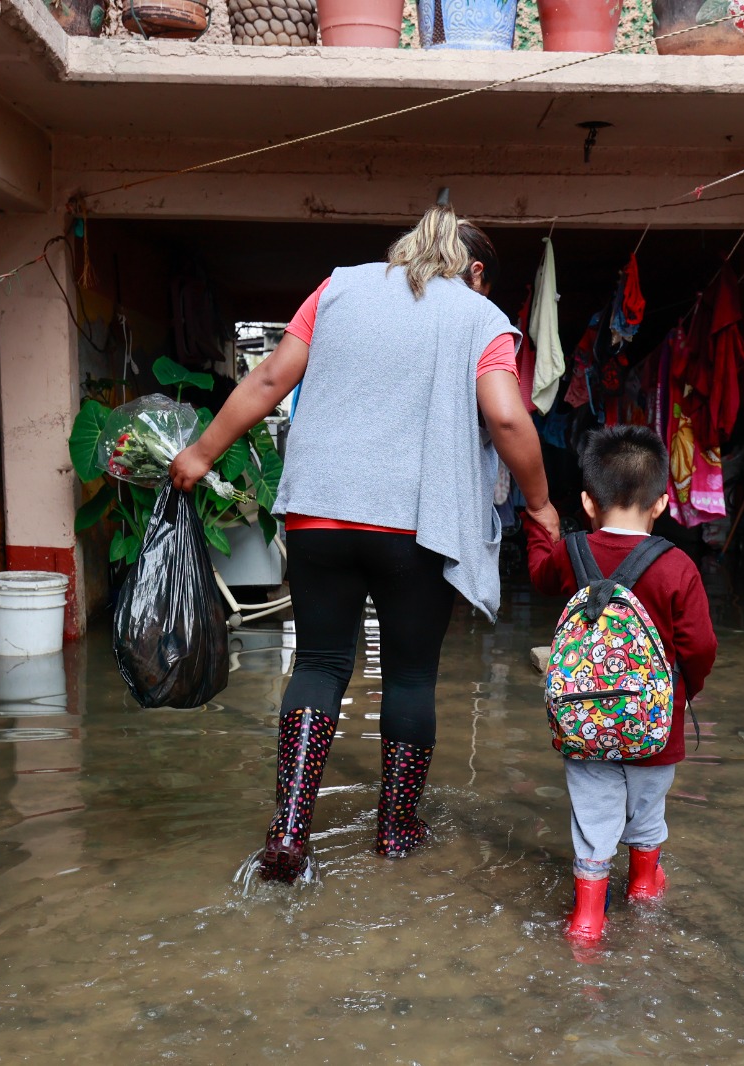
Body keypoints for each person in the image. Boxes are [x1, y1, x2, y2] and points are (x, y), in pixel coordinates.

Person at [171, 203, 561, 883]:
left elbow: (267, 380)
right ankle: (397, 832)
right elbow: (504, 414)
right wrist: (541, 504)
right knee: (410, 675)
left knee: (320, 664)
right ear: (473, 271)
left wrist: (201, 455)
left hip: (319, 514)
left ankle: (291, 830)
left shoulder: (337, 287)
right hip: (417, 523)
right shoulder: (480, 318)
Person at [526, 425, 717, 942]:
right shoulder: (677, 566)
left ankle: (587, 917)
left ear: (588, 502)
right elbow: (700, 647)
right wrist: (683, 693)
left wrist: (541, 527)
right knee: (648, 806)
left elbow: (541, 575)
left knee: (594, 814)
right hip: (657, 724)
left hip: (584, 719)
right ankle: (643, 886)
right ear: (660, 504)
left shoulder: (570, 554)